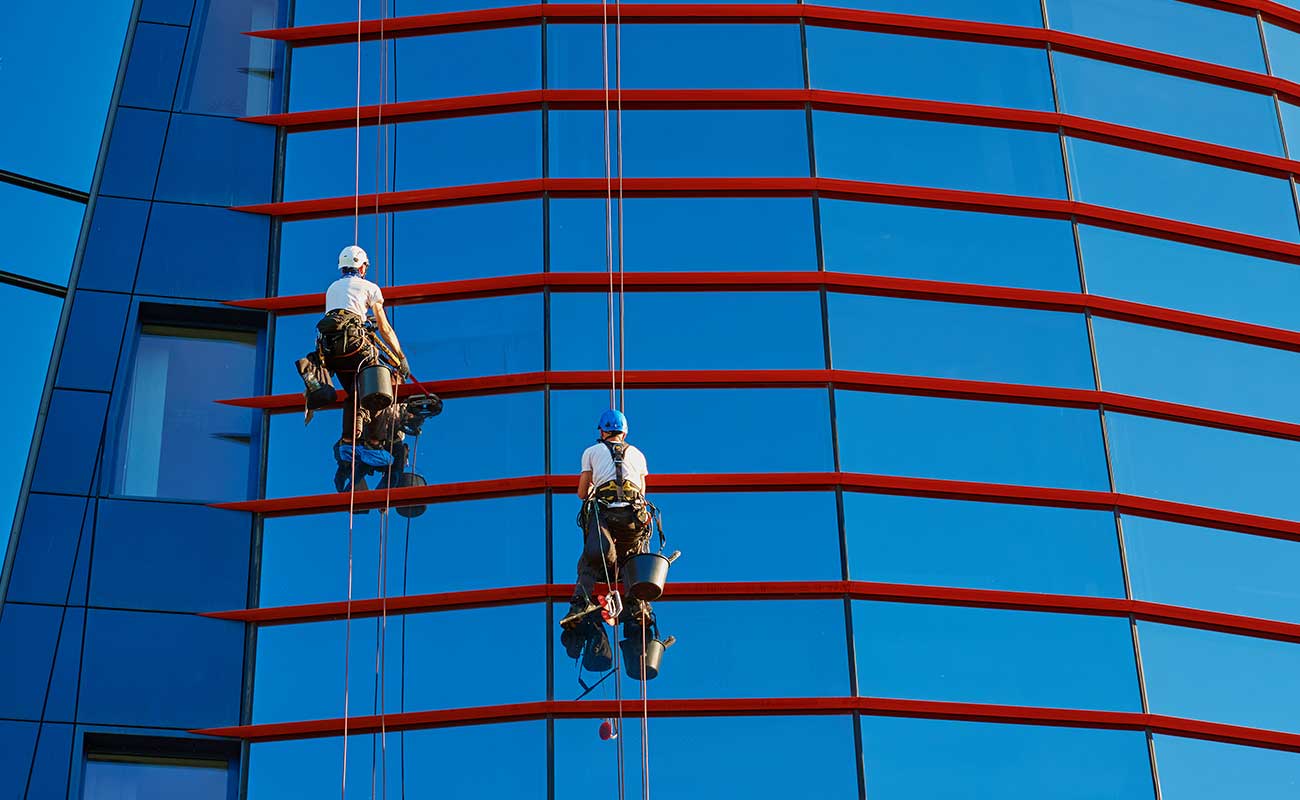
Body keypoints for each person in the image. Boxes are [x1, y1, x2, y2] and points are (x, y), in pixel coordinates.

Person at [560, 410, 656, 668]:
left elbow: (582, 493)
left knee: (591, 561)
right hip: (634, 518)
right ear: (624, 432)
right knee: (633, 560)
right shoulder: (638, 454)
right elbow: (642, 492)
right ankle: (638, 607)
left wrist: (596, 486)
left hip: (606, 516)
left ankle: (579, 605)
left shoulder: (591, 452)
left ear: (602, 431)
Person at [317, 245, 409, 446]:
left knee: (355, 391)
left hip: (332, 352)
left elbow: (345, 311)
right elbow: (385, 328)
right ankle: (374, 442)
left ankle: (348, 440)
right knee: (378, 383)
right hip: (355, 346)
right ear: (361, 267)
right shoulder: (370, 287)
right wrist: (400, 357)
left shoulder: (332, 288)